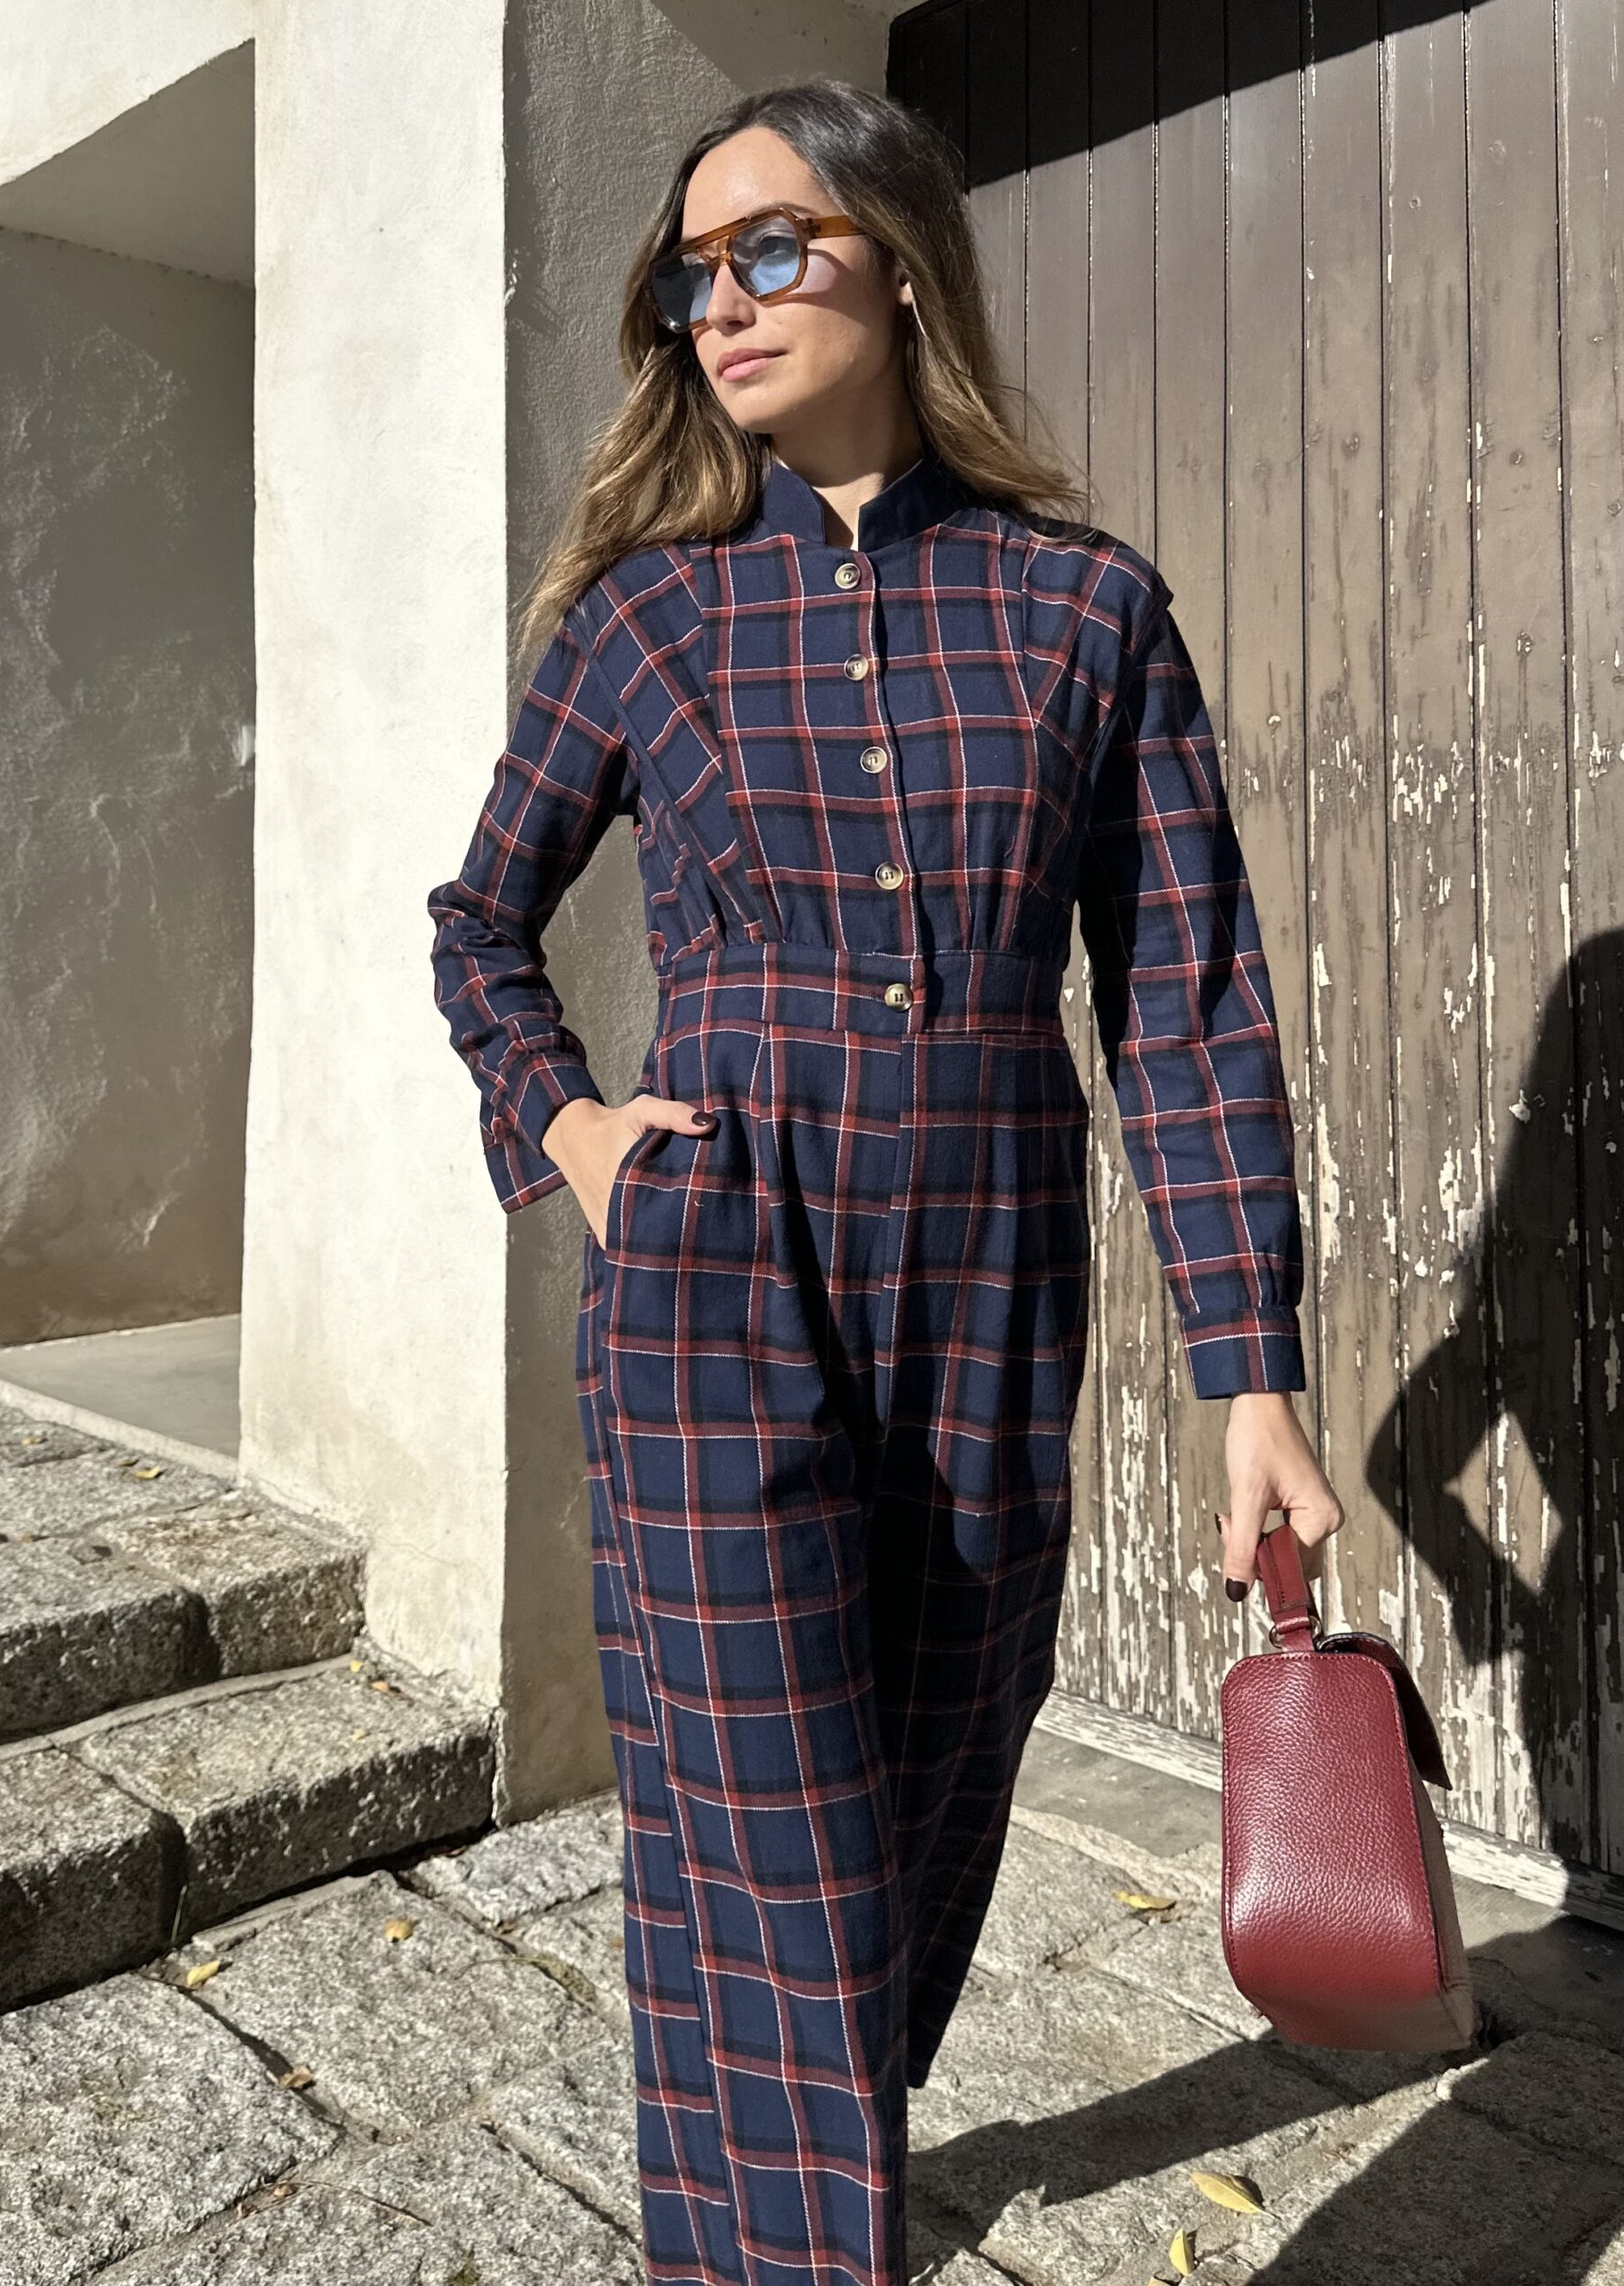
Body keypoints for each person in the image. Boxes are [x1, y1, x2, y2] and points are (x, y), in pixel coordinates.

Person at [427, 75, 1345, 2286]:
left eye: (769, 249)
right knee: (761, 1834)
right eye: (692, 273)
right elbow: (479, 923)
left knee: (933, 1780)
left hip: (992, 1275)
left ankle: (811, 2144)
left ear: (902, 262)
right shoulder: (645, 619)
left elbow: (1187, 1002)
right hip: (716, 1260)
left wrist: (1252, 1370)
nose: (721, 303)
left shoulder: (1084, 609)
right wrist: (566, 1124)